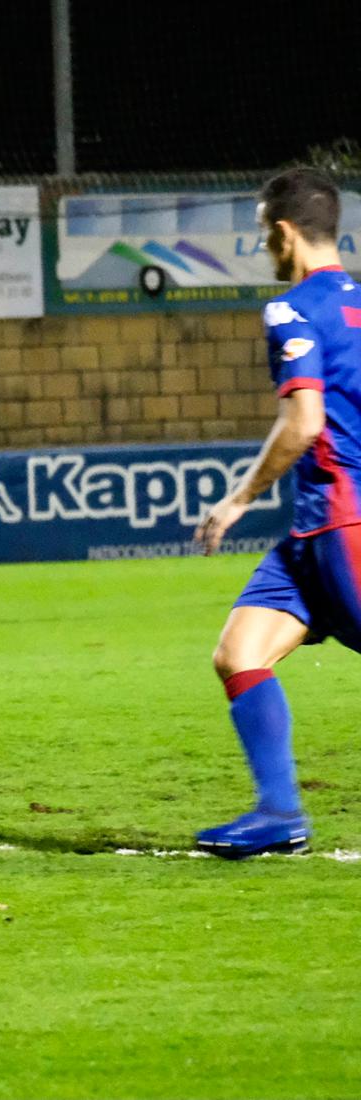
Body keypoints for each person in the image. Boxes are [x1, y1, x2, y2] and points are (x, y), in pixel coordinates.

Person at [193, 166, 361, 858]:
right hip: (310, 534)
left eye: (265, 234)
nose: (265, 248)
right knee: (239, 653)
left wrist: (237, 500)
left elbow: (302, 423)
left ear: (286, 233)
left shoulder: (292, 310)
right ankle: (279, 814)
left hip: (342, 522)